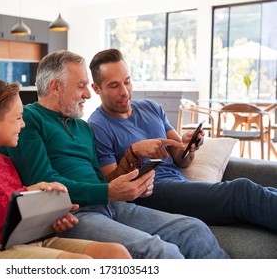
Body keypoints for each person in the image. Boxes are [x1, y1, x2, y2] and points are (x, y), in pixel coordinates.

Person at [1, 50, 229, 259]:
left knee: (194, 229)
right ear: (55, 87)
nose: (89, 94)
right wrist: (109, 191)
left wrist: (129, 183)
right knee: (160, 252)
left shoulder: (82, 127)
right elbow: (44, 182)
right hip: (76, 215)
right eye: (81, 86)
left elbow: (102, 182)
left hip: (112, 205)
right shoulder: (29, 120)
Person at [87, 48, 277, 232]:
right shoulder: (97, 126)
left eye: (127, 82)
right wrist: (133, 152)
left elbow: (181, 159)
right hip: (150, 193)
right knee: (242, 191)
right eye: (114, 85)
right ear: (96, 88)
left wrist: (188, 147)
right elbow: (112, 186)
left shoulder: (151, 108)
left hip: (180, 184)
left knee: (266, 191)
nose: (125, 91)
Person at [0, 78, 132, 259]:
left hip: (31, 241)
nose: (23, 125)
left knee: (117, 253)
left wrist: (51, 219)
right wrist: (24, 194)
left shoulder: (5, 162)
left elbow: (16, 217)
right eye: (17, 118)